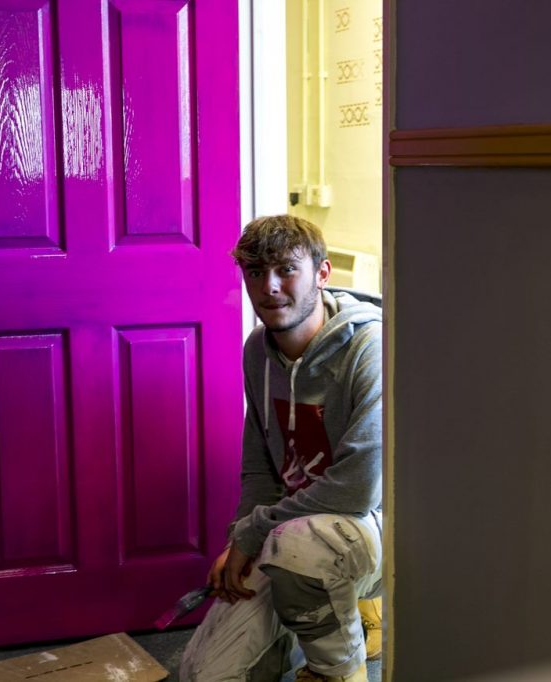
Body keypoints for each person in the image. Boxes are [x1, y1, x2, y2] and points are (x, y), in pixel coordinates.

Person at [180, 215, 383, 682]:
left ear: (323, 273)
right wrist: (240, 541)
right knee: (203, 675)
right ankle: (311, 620)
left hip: (374, 530)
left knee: (298, 551)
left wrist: (255, 535)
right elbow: (262, 465)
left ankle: (339, 671)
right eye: (255, 272)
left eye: (286, 270)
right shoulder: (259, 349)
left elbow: (358, 489)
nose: (269, 287)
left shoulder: (369, 347)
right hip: (294, 535)